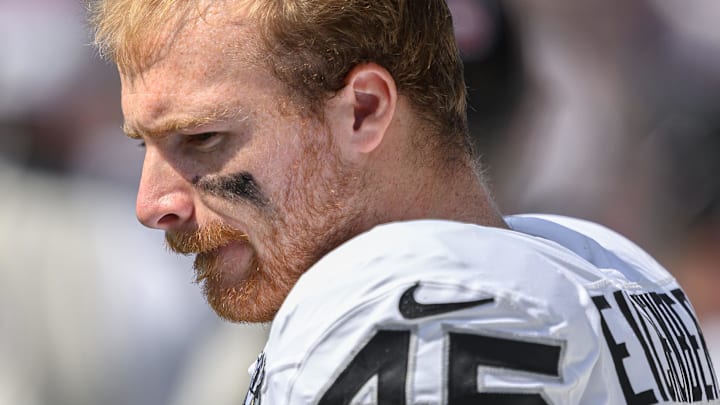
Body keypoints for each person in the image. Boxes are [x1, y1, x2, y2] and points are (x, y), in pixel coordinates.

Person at [87, 0, 718, 403]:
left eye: (202, 139)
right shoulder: (608, 263)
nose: (152, 203)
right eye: (143, 144)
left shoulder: (415, 313)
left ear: (363, 110)